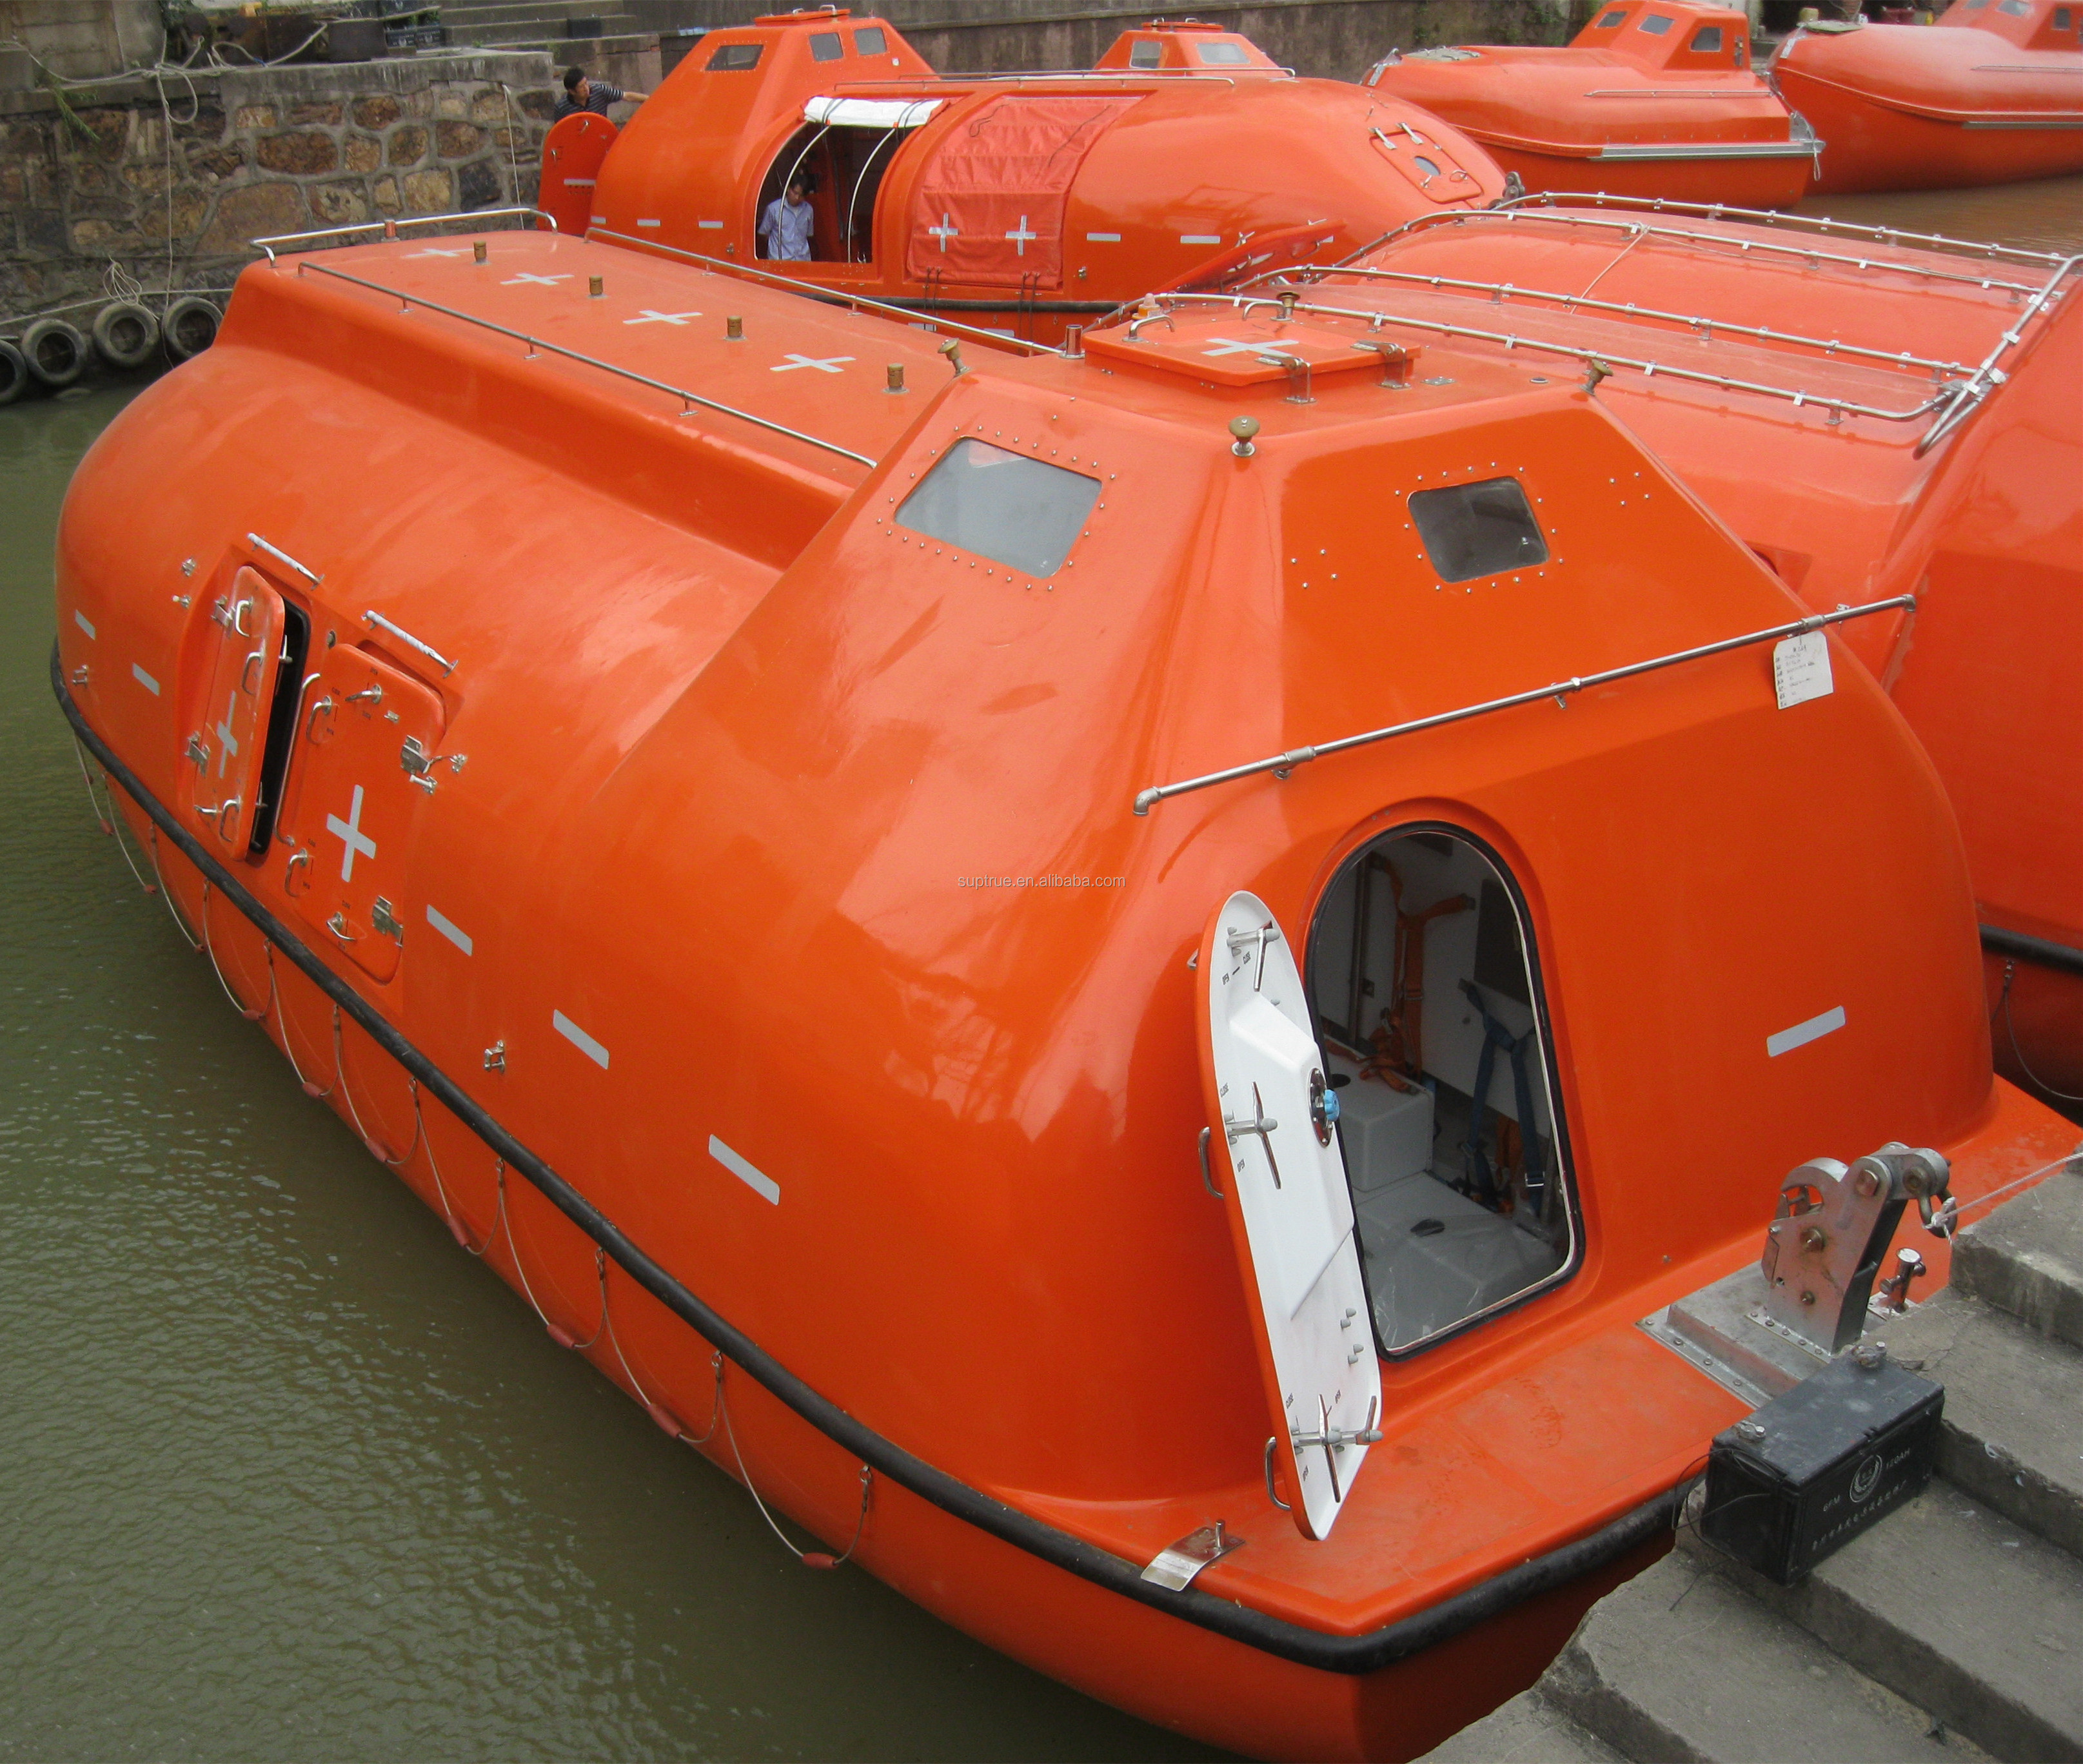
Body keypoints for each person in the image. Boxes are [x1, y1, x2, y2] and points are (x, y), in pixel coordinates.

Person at [553, 65, 646, 122]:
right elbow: (561, 131)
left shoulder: (599, 91)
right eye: (581, 87)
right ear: (572, 91)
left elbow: (626, 96)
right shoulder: (562, 108)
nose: (586, 88)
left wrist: (652, 99)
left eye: (586, 83)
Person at [758, 174, 815, 262]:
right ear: (789, 188)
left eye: (801, 196)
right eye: (795, 193)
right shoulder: (774, 209)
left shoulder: (808, 210)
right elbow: (764, 233)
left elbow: (809, 235)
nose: (797, 198)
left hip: (802, 260)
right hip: (779, 260)